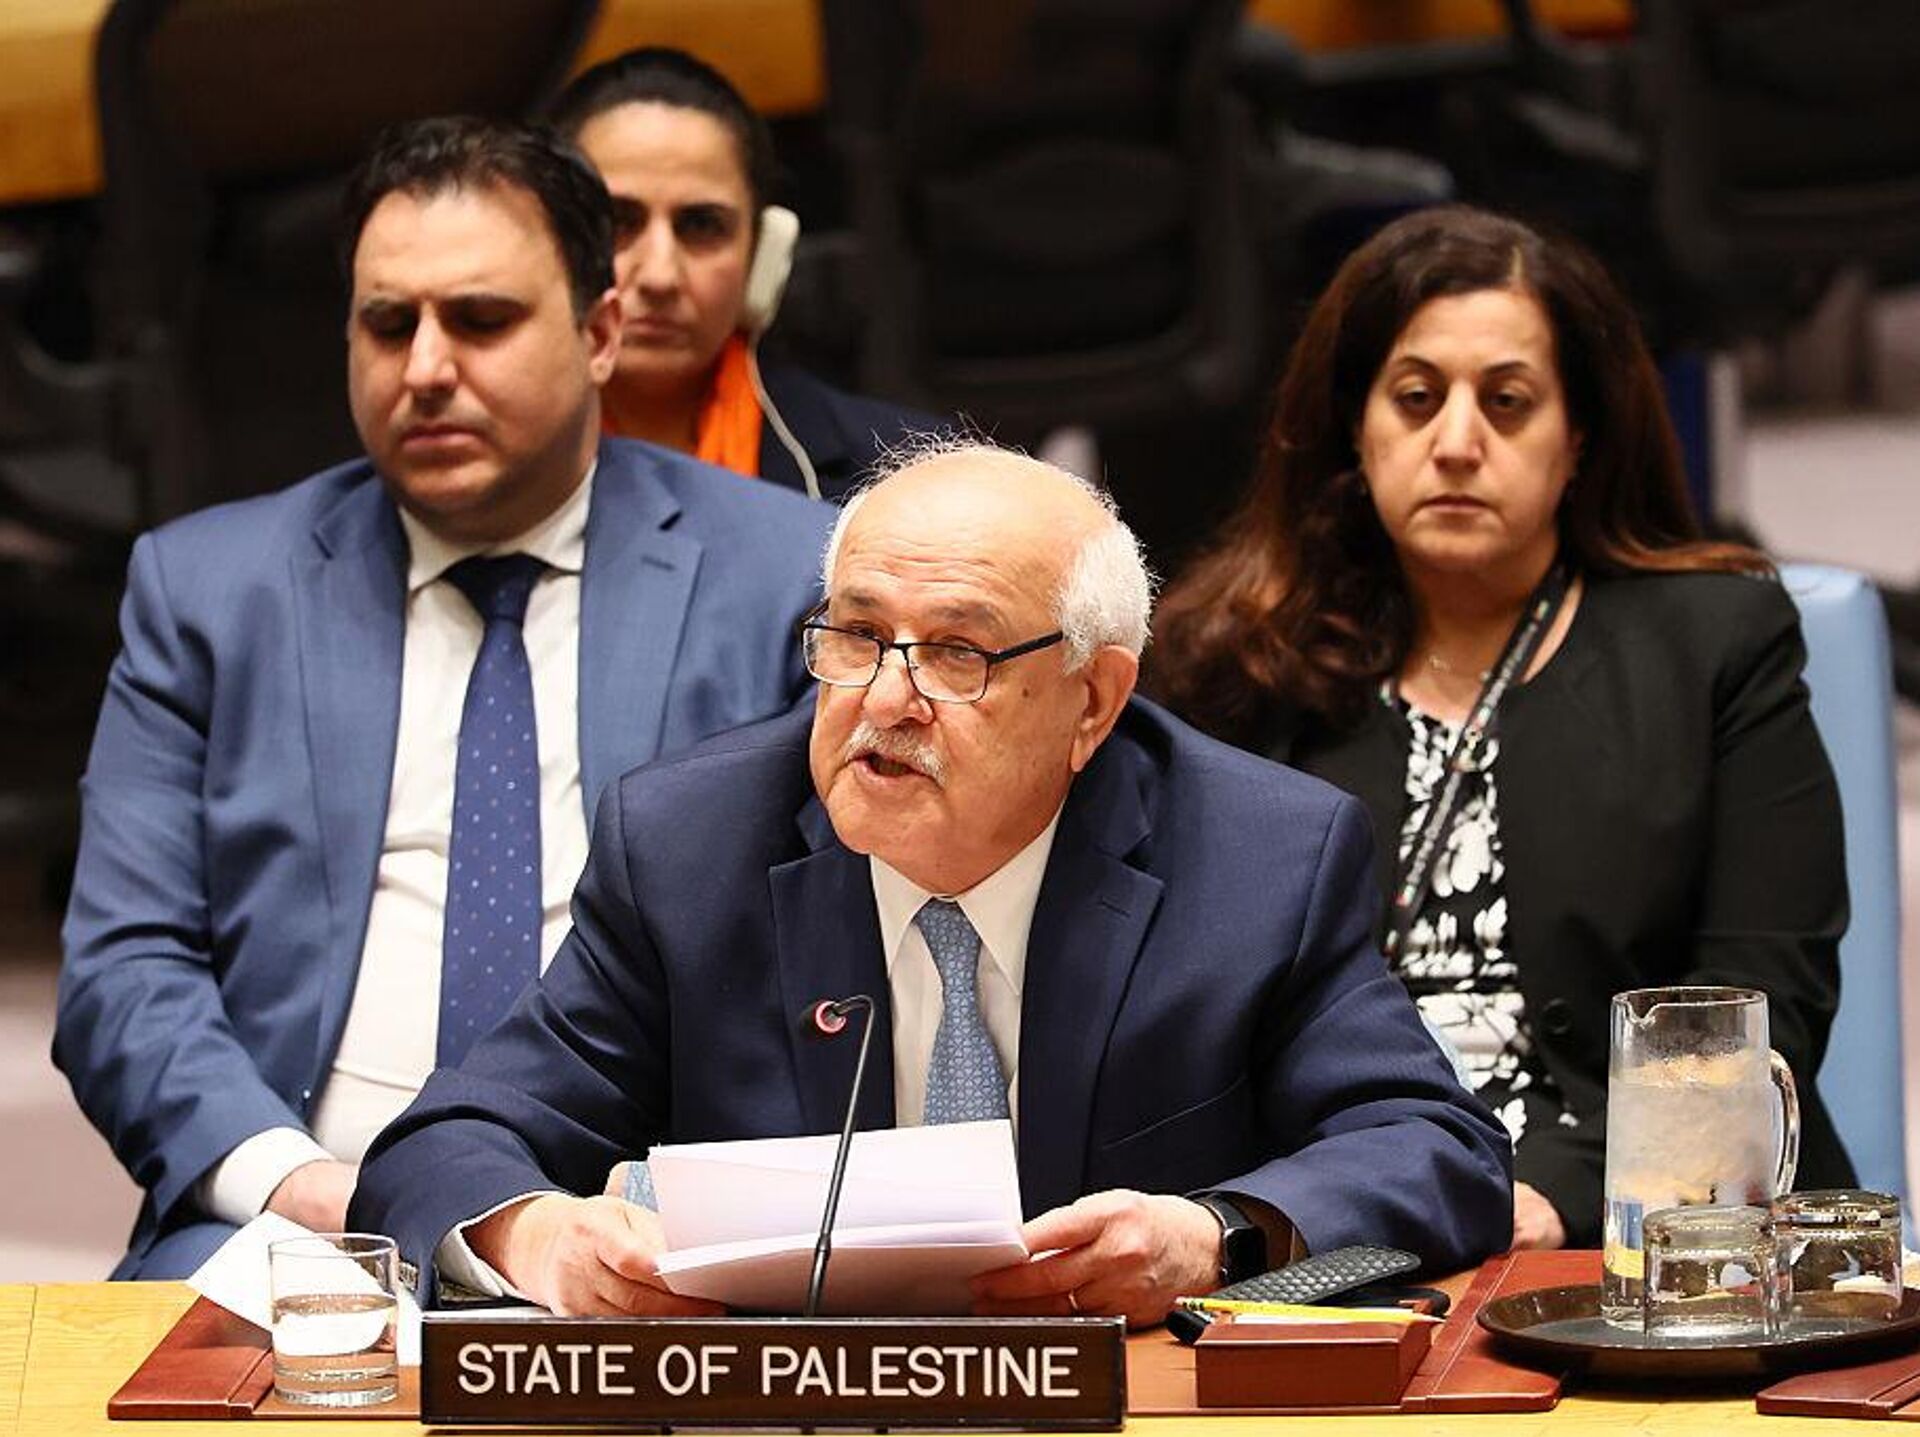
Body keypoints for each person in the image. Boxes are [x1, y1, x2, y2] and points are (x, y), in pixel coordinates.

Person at [349, 441, 1513, 1326]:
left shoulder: (1259, 858)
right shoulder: (690, 846)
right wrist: (541, 1240)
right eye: (856, 635)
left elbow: (1437, 1148)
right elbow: (442, 1146)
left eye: (957, 652)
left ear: (1094, 702)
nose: (885, 698)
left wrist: (1213, 1237)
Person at [55, 117, 836, 1280]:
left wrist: (632, 1214)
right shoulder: (210, 593)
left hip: (647, 1227)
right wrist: (303, 1187)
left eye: (480, 320)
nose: (424, 369)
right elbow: (124, 968)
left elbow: (844, 963)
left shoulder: (785, 579)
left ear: (600, 333)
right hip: (302, 1225)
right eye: (388, 324)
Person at [1152, 205, 1853, 1251]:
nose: (1457, 443)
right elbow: (1183, 1018)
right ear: (1357, 430)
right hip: (1335, 1226)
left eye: (1508, 402)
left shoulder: (1717, 646)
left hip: (1649, 1231)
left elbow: (1760, 1012)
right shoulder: (1233, 667)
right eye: (1416, 398)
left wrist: (1548, 1201)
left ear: (1578, 438)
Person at [550, 47, 936, 501]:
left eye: (702, 225)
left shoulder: (907, 482)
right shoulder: (480, 469)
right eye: (615, 222)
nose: (660, 277)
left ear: (764, 251)